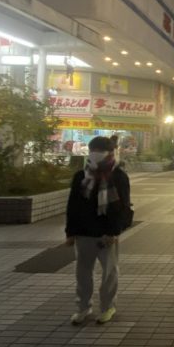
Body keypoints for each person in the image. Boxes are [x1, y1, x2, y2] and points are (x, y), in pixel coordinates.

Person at [65, 135, 132, 326]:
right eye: (92, 151)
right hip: (83, 232)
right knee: (83, 272)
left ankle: (108, 306)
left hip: (106, 234)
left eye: (99, 151)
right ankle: (83, 307)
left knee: (109, 272)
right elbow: (73, 206)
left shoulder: (118, 176)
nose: (95, 155)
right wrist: (70, 232)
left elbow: (123, 207)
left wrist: (114, 232)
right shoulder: (81, 176)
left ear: (110, 153)